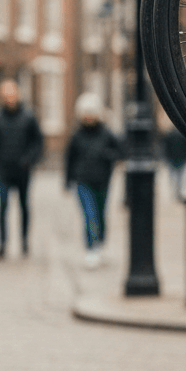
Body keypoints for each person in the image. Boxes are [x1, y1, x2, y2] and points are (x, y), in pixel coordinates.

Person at [65, 92, 124, 268]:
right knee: (89, 215)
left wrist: (108, 155)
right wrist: (68, 180)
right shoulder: (76, 136)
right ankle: (91, 248)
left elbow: (121, 151)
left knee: (100, 214)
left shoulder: (107, 134)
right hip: (83, 181)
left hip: (103, 180)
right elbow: (70, 159)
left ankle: (101, 243)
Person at [0, 79, 43, 258]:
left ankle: (24, 241)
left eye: (11, 95)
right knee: (2, 206)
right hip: (3, 170)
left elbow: (37, 142)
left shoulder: (28, 117)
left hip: (23, 169)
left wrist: (29, 159)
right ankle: (2, 243)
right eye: (5, 96)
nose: (9, 99)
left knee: (24, 206)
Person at [160, 122, 186, 200]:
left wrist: (166, 158)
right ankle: (178, 191)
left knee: (173, 176)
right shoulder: (184, 135)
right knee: (179, 177)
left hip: (172, 159)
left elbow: (165, 148)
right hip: (181, 159)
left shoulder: (169, 135)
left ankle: (174, 191)